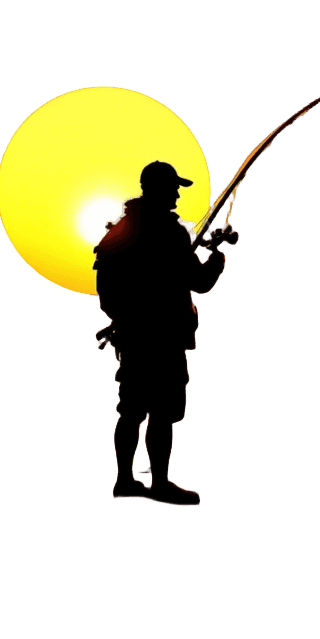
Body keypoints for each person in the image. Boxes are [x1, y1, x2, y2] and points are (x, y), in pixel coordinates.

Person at [93, 161, 227, 506]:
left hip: (132, 337)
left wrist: (128, 318)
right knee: (163, 411)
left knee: (131, 409)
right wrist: (217, 258)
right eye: (173, 187)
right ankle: (161, 484)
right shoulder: (169, 232)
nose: (178, 193)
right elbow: (201, 282)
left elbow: (105, 290)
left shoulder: (120, 230)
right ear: (157, 189)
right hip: (163, 338)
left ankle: (124, 480)